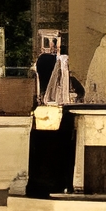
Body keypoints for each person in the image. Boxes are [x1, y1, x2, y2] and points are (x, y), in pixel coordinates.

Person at [25, 33, 80, 200]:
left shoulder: (43, 67)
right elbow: (80, 91)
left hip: (44, 114)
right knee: (59, 152)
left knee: (42, 153)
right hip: (58, 117)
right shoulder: (62, 70)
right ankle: (60, 183)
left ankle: (41, 184)